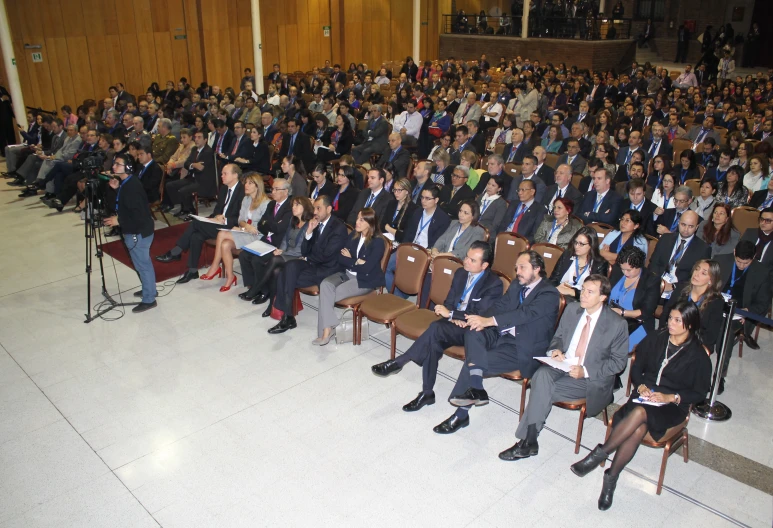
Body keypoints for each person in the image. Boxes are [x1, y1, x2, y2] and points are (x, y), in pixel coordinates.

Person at [569, 301, 711, 511]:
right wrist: (642, 385)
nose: (670, 323)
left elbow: (699, 392)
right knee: (639, 425)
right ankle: (611, 477)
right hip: (645, 396)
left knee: (640, 413)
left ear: (689, 325)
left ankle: (600, 453)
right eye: (670, 318)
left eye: (677, 320)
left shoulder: (698, 355)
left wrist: (670, 397)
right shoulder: (656, 338)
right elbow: (636, 367)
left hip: (672, 406)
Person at [499, 275, 628, 462]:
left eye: (590, 292)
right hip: (564, 364)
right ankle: (530, 440)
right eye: (583, 289)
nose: (583, 295)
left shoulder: (617, 324)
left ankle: (527, 442)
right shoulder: (572, 309)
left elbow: (618, 363)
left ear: (603, 297)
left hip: (590, 378)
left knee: (541, 388)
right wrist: (556, 349)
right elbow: (557, 337)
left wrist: (586, 370)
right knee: (541, 375)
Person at [433, 251, 561, 434]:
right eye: (516, 267)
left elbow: (523, 315)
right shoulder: (518, 284)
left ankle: (461, 415)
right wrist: (470, 317)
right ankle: (477, 388)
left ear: (537, 269)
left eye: (523, 267)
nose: (518, 271)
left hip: (521, 346)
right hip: (501, 334)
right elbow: (499, 307)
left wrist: (489, 321)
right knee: (474, 331)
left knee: (474, 362)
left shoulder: (549, 293)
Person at [371, 242, 503, 409]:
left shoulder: (493, 284)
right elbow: (449, 301)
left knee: (435, 329)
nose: (466, 261)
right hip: (452, 323)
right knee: (434, 340)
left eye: (472, 260)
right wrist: (452, 315)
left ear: (484, 265)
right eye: (467, 256)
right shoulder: (461, 273)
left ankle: (400, 362)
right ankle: (427, 393)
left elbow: (481, 314)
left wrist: (454, 315)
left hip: (472, 331)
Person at [268, 195, 349, 334]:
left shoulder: (338, 228)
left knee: (287, 276)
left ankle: (287, 317)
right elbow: (304, 250)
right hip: (313, 262)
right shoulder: (315, 224)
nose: (315, 212)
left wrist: (307, 258)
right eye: (314, 208)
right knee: (288, 268)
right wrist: (309, 233)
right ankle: (288, 316)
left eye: (319, 208)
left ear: (329, 209)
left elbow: (326, 255)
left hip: (329, 269)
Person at [155, 164, 245, 282]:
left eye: (225, 173)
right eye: (222, 173)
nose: (221, 176)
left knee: (195, 224)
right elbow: (217, 210)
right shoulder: (224, 189)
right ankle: (192, 271)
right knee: (196, 235)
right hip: (220, 223)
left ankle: (176, 252)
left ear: (235, 175)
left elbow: (241, 218)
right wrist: (213, 218)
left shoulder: (242, 192)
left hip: (233, 228)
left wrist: (224, 219)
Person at [314, 208, 386, 345]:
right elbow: (340, 258)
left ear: (370, 223)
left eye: (361, 220)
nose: (356, 222)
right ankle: (330, 327)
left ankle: (325, 333)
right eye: (357, 218)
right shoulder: (354, 234)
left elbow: (367, 268)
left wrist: (352, 260)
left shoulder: (378, 242)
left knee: (328, 296)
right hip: (346, 273)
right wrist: (357, 261)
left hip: (364, 280)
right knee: (325, 285)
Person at [101, 153, 158, 313]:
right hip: (136, 230)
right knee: (142, 264)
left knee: (143, 265)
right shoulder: (126, 183)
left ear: (128, 167)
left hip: (138, 232)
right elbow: (123, 205)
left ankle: (149, 299)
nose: (114, 167)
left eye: (118, 164)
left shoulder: (131, 186)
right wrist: (116, 189)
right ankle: (150, 289)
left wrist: (119, 221)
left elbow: (138, 214)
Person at [239, 195, 313, 312]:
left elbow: (302, 248)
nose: (293, 207)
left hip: (298, 257)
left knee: (274, 259)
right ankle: (271, 306)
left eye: (297, 205)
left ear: (305, 207)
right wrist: (281, 250)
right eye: (293, 204)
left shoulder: (310, 224)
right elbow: (285, 240)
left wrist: (283, 253)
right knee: (275, 270)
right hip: (287, 254)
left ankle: (255, 289)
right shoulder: (293, 221)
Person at [200, 173, 270, 291]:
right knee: (225, 244)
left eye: (250, 183)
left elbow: (263, 226)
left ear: (257, 186)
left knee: (222, 234)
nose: (246, 185)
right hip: (246, 231)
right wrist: (244, 227)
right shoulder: (246, 199)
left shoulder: (265, 203)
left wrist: (245, 228)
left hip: (257, 235)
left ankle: (215, 266)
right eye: (245, 183)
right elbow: (240, 220)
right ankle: (230, 277)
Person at [384, 186, 450, 296]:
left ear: (436, 200)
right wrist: (403, 248)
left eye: (427, 198)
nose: (423, 201)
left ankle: (398, 296)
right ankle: (397, 295)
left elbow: (437, 242)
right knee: (386, 265)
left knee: (410, 270)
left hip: (425, 252)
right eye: (422, 197)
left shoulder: (443, 219)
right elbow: (408, 233)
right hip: (410, 247)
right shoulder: (417, 212)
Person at [660, 259, 724, 356]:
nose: (697, 274)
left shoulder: (716, 302)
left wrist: (684, 338)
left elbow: (711, 335)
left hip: (696, 342)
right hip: (673, 334)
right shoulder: (681, 289)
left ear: (711, 280)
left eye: (703, 273)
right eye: (697, 269)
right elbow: (665, 314)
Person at [608, 247, 659, 351]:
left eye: (629, 270)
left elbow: (646, 312)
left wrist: (622, 312)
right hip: (611, 316)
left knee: (614, 347)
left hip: (636, 322)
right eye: (623, 269)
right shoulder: (617, 270)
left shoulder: (651, 280)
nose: (625, 273)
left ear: (639, 265)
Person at [550, 227, 610, 300]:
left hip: (581, 301)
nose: (576, 246)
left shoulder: (600, 264)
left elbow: (597, 293)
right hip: (558, 296)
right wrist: (556, 288)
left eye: (581, 244)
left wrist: (573, 292)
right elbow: (553, 279)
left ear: (591, 245)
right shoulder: (567, 255)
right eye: (575, 242)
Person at [381, 178, 418, 243]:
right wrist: (395, 232)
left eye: (399, 190)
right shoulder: (391, 203)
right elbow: (382, 224)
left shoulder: (413, 209)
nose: (396, 193)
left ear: (407, 191)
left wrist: (389, 229)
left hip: (399, 243)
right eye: (394, 190)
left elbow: (405, 236)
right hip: (385, 239)